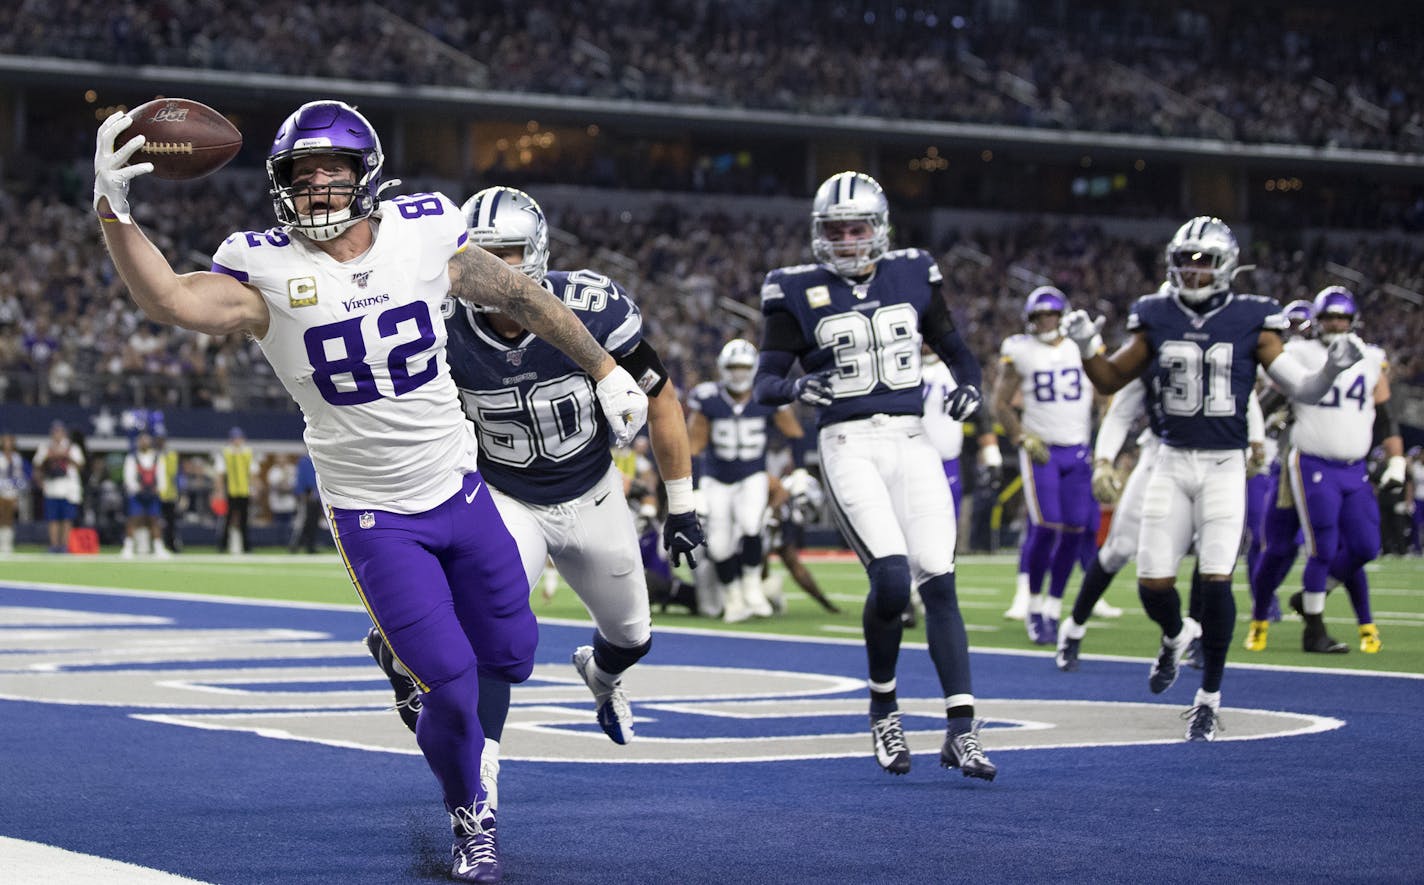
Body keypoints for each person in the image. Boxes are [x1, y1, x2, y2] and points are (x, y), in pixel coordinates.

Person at [94, 100, 649, 883]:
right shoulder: (266, 268)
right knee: (453, 691)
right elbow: (173, 300)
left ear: (366, 177)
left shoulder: (424, 231)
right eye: (301, 173)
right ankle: (471, 821)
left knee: (514, 654)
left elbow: (520, 296)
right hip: (374, 515)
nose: (317, 186)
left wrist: (605, 367)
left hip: (461, 491)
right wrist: (113, 210)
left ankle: (402, 664)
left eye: (333, 170)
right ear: (279, 182)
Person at [365, 185, 701, 797]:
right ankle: (480, 767)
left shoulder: (591, 307)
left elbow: (662, 397)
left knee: (632, 636)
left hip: (593, 490)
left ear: (538, 252)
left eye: (511, 253)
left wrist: (681, 502)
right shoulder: (440, 321)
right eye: (482, 251)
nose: (497, 267)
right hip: (505, 497)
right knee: (491, 622)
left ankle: (600, 676)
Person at [1061, 216, 1365, 741]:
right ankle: (1177, 635)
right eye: (1185, 260)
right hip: (1170, 460)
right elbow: (1112, 380)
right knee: (1153, 583)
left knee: (1216, 577)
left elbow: (1302, 388)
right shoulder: (1155, 314)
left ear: (1226, 265)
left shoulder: (1252, 317)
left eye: (1203, 261)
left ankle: (1208, 698)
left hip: (1223, 464)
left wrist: (1333, 369)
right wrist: (1087, 347)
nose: (1192, 270)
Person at [753, 170, 996, 780]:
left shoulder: (912, 271)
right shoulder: (794, 288)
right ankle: (884, 707)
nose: (846, 239)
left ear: (879, 229)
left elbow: (958, 349)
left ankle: (961, 727)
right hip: (848, 441)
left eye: (857, 227)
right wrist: (798, 385)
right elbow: (765, 383)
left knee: (938, 580)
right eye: (835, 229)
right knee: (891, 581)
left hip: (914, 440)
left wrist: (971, 388)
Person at [1270, 287, 1399, 654]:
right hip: (1313, 460)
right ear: (1318, 320)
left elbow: (1386, 416)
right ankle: (1314, 630)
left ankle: (1313, 594)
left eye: (1342, 318)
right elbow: (1273, 393)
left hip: (1354, 466)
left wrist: (1397, 461)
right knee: (1321, 547)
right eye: (1329, 317)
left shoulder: (1371, 357)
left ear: (1353, 320)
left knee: (1366, 545)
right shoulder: (1300, 353)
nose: (1336, 324)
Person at [994, 286, 1099, 644]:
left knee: (1075, 529)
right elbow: (1001, 403)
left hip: (1079, 450)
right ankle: (1034, 604)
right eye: (1039, 316)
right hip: (1043, 451)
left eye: (1051, 315)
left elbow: (1107, 393)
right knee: (1046, 525)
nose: (1046, 322)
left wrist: (1107, 452)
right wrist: (1022, 437)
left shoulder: (1080, 346)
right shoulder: (1020, 350)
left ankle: (1054, 606)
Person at [687, 338, 804, 621]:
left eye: (744, 367)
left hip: (752, 475)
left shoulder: (765, 396)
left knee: (752, 524)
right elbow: (693, 446)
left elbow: (795, 434)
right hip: (716, 479)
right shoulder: (707, 398)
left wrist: (799, 470)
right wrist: (692, 487)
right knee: (718, 545)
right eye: (733, 367)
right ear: (722, 368)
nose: (738, 373)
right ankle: (733, 599)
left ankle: (752, 588)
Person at [33, 420, 84, 553]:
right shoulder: (45, 447)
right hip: (51, 487)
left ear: (64, 433)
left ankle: (65, 545)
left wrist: (66, 456)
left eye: (60, 432)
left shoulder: (72, 448)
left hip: (67, 488)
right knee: (53, 519)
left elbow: (80, 465)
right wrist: (49, 457)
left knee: (67, 519)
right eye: (55, 432)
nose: (57, 435)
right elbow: (37, 465)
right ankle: (54, 545)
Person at [120, 431, 170, 558]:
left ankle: (158, 547)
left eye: (146, 440)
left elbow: (162, 475)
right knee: (133, 519)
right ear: (138, 442)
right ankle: (128, 547)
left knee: (154, 520)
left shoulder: (157, 457)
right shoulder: (132, 458)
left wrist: (159, 488)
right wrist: (137, 488)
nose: (144, 442)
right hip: (137, 495)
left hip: (153, 494)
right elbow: (128, 477)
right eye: (142, 440)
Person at [214, 426, 257, 553]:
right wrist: (220, 490)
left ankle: (246, 546)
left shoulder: (247, 452)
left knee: (244, 520)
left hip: (244, 491)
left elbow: (252, 472)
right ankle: (223, 545)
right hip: (231, 491)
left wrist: (253, 488)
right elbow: (220, 473)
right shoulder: (226, 452)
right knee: (227, 519)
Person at [289, 452, 322, 553]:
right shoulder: (305, 461)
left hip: (316, 494)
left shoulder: (316, 459)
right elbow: (302, 479)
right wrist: (302, 493)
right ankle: (295, 545)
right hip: (307, 495)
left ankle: (310, 545)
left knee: (313, 522)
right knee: (303, 521)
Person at [156, 434, 183, 554]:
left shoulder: (171, 455)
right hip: (156, 494)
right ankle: (157, 544)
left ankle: (171, 544)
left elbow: (176, 475)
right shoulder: (154, 455)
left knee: (171, 522)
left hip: (170, 493)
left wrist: (180, 492)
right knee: (156, 521)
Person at [0, 433, 26, 554]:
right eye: (5, 442)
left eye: (10, 442)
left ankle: (7, 543)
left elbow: (19, 476)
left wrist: (17, 491)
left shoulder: (16, 458)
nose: (8, 444)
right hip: (0, 491)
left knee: (8, 518)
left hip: (12, 492)